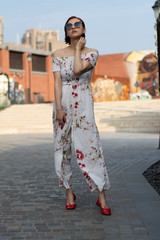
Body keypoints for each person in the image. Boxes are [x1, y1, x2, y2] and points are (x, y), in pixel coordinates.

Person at [52, 16, 111, 215]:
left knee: (91, 146)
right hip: (63, 103)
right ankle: (69, 192)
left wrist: (78, 49)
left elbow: (77, 70)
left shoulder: (92, 53)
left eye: (77, 24)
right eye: (69, 25)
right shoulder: (57, 54)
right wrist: (59, 108)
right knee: (63, 147)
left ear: (84, 29)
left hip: (84, 103)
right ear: (66, 32)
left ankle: (101, 195)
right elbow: (58, 82)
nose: (73, 27)